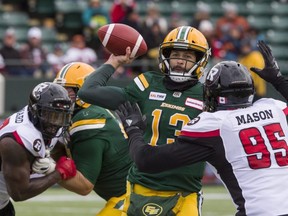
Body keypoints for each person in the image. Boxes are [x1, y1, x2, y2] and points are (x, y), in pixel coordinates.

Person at [116, 41, 288, 216]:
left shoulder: (215, 124)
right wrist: (279, 80)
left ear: (211, 94)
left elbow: (146, 161)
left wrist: (134, 130)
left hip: (258, 211)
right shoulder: (274, 108)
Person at [78, 26, 211, 215]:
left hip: (184, 190)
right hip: (142, 185)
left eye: (188, 57)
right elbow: (87, 92)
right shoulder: (148, 84)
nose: (180, 61)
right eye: (176, 54)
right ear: (165, 55)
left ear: (200, 60)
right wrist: (114, 61)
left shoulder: (207, 95)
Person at [51, 62, 133, 216]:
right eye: (59, 90)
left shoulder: (88, 119)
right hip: (128, 194)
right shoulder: (91, 113)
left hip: (133, 198)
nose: (61, 97)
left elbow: (84, 186)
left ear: (83, 91)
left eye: (68, 91)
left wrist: (48, 170)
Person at [0, 82, 77, 216]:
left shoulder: (38, 121)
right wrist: (58, 173)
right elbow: (19, 193)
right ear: (36, 111)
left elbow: (54, 147)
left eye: (61, 116)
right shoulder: (16, 141)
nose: (56, 123)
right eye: (52, 116)